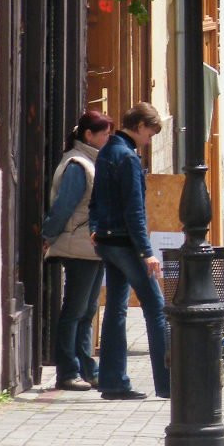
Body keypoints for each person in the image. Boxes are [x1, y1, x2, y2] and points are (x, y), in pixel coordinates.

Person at [89, 103, 170, 401]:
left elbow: (95, 199)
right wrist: (147, 252)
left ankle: (112, 382)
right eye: (150, 131)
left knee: (115, 309)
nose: (150, 138)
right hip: (126, 244)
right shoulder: (127, 158)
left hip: (108, 241)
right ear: (138, 125)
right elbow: (135, 211)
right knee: (156, 308)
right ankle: (168, 382)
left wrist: (95, 228)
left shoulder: (108, 151)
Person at [40, 110, 114, 390]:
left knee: (88, 310)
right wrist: (49, 233)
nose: (108, 138)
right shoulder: (78, 164)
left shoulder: (93, 162)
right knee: (75, 309)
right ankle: (67, 371)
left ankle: (87, 369)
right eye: (105, 133)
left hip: (92, 247)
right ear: (89, 135)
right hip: (78, 246)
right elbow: (64, 206)